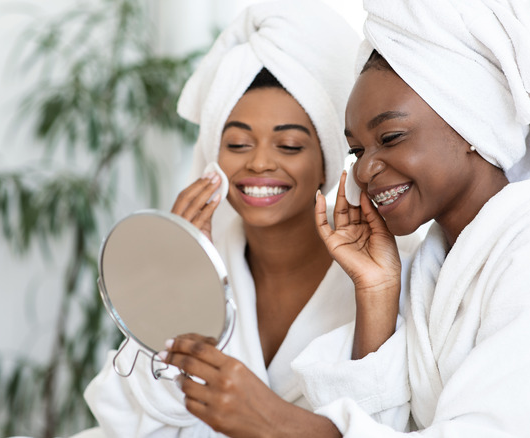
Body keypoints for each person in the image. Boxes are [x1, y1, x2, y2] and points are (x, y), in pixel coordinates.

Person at [283, 0, 530, 436]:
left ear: (470, 123)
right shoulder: (436, 266)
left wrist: (277, 423)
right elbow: (389, 423)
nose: (364, 170)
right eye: (357, 150)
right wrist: (377, 292)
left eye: (390, 137)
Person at [84, 1, 370, 436]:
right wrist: (182, 271)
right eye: (237, 144)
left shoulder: (380, 269)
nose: (259, 163)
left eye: (289, 146)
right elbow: (123, 417)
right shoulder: (205, 257)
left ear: (327, 161)